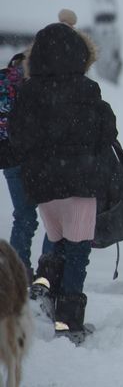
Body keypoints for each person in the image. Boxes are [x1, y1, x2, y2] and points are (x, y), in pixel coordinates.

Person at [9, 16, 116, 341]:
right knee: (78, 252)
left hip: (43, 186)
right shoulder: (86, 89)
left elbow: (17, 138)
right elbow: (107, 131)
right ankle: (68, 324)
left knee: (56, 243)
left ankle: (45, 287)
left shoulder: (28, 91)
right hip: (79, 183)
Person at [1, 52, 52, 280]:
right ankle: (48, 272)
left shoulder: (4, 79)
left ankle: (16, 272)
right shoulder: (36, 85)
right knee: (55, 216)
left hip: (9, 158)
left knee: (24, 216)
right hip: (36, 157)